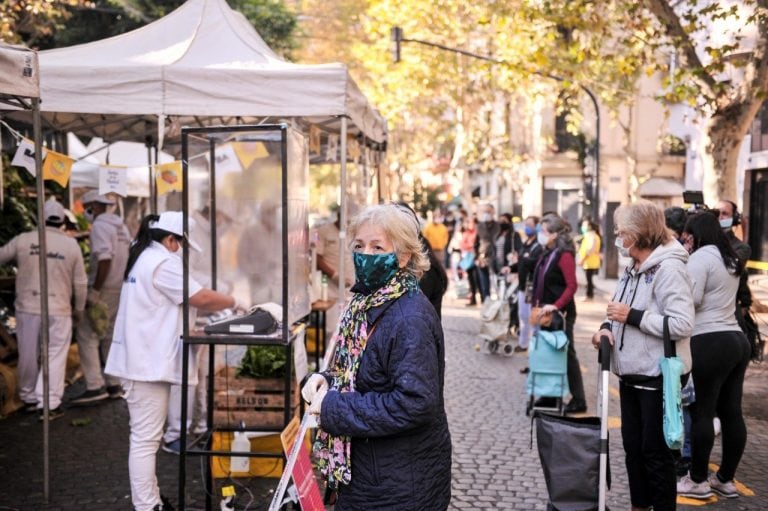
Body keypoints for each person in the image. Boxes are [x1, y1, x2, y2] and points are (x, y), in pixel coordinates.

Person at [301, 203, 452, 510]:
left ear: (403, 255)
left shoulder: (409, 317)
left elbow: (414, 402)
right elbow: (358, 369)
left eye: (377, 246)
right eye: (359, 245)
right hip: (370, 476)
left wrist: (333, 406)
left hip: (398, 484)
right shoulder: (365, 303)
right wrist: (324, 379)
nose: (366, 254)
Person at [105, 211, 241, 511]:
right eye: (180, 244)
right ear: (170, 239)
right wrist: (235, 301)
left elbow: (164, 307)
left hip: (141, 360)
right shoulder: (162, 261)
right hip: (144, 365)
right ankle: (146, 506)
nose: (181, 250)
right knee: (145, 439)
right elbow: (200, 297)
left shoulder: (144, 257)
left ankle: (151, 500)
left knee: (145, 437)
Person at [591, 200, 694, 511]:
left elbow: (682, 323)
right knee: (633, 450)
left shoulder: (670, 268)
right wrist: (604, 329)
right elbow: (615, 310)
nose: (619, 238)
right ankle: (639, 507)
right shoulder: (632, 268)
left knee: (656, 454)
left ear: (637, 235)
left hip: (657, 375)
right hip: (631, 372)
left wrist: (632, 316)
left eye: (622, 232)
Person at [676, 212, 751, 499]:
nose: (686, 241)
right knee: (732, 412)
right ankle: (725, 479)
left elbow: (690, 300)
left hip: (709, 339)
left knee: (703, 412)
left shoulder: (700, 258)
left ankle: (696, 480)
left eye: (688, 236)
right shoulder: (729, 258)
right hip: (736, 339)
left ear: (696, 234)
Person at [0, 199, 87, 420]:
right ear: (63, 221)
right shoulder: (71, 245)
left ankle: (28, 397)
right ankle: (48, 403)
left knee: (28, 353)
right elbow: (80, 283)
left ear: (41, 218)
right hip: (59, 308)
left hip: (27, 306)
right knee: (55, 354)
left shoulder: (24, 239)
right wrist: (79, 308)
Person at [71, 190, 131, 404]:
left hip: (105, 288)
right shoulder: (120, 225)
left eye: (86, 207)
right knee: (109, 334)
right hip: (120, 287)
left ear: (94, 206)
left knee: (87, 333)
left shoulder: (100, 226)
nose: (86, 212)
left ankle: (94, 386)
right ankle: (114, 383)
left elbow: (105, 259)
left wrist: (95, 290)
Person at [529, 214, 586, 413]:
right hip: (546, 312)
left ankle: (579, 399)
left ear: (554, 234)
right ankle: (550, 395)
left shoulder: (564, 255)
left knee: (567, 354)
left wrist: (556, 305)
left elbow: (571, 286)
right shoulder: (549, 252)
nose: (541, 235)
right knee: (549, 353)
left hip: (561, 314)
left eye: (544, 231)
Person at [514, 215, 543, 359]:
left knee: (532, 318)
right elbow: (521, 262)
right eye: (526, 224)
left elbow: (534, 263)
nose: (527, 227)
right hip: (522, 284)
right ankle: (523, 343)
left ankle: (533, 347)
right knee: (522, 316)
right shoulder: (525, 243)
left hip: (530, 285)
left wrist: (524, 260)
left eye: (530, 225)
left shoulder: (538, 245)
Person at [474, 203, 500, 302]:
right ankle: (486, 301)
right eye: (485, 212)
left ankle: (499, 302)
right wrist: (476, 257)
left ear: (493, 212)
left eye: (488, 211)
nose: (486, 214)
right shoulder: (479, 226)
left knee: (497, 280)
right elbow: (476, 243)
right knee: (484, 282)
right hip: (482, 257)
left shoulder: (498, 226)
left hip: (496, 257)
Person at [576, 219, 601, 300]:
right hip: (589, 262)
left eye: (584, 225)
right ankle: (589, 294)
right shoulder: (590, 236)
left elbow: (590, 250)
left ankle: (589, 295)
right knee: (589, 279)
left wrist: (582, 259)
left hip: (590, 262)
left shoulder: (592, 237)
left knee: (588, 280)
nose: (583, 227)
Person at [459, 216, 479, 306]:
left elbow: (477, 244)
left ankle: (482, 298)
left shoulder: (477, 232)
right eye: (469, 222)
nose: (470, 224)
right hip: (468, 259)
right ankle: (473, 298)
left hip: (477, 258)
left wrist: (470, 246)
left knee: (477, 279)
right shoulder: (466, 233)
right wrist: (470, 246)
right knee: (471, 279)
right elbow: (462, 245)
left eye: (471, 222)